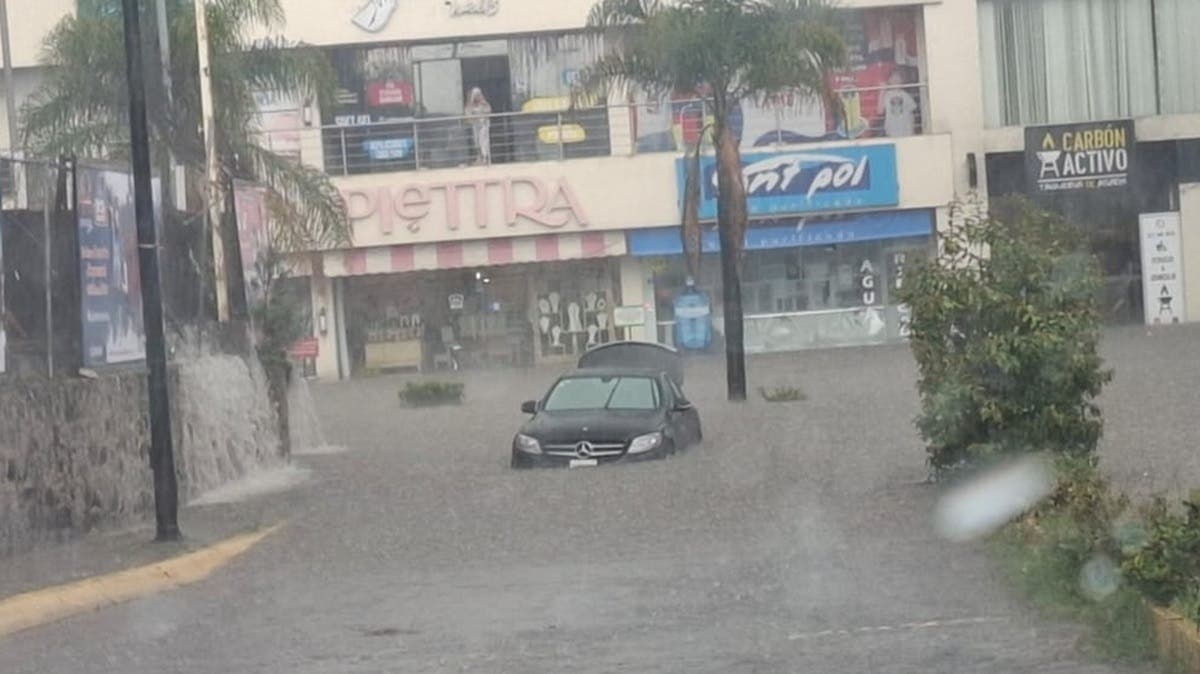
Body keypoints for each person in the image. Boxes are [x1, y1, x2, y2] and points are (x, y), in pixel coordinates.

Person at [877, 70, 918, 138]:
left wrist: (911, 128)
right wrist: (882, 91)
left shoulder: (906, 95)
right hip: (892, 130)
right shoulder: (886, 95)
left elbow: (912, 112)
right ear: (889, 81)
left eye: (898, 77)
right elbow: (879, 111)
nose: (895, 80)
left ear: (902, 81)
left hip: (906, 130)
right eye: (893, 77)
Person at [464, 87, 492, 165]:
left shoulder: (484, 103)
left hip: (483, 124)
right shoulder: (470, 104)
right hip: (475, 125)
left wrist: (484, 117)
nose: (477, 96)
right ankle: (479, 157)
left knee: (483, 141)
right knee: (476, 141)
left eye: (478, 94)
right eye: (475, 94)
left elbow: (488, 111)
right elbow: (467, 114)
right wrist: (471, 117)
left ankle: (485, 158)